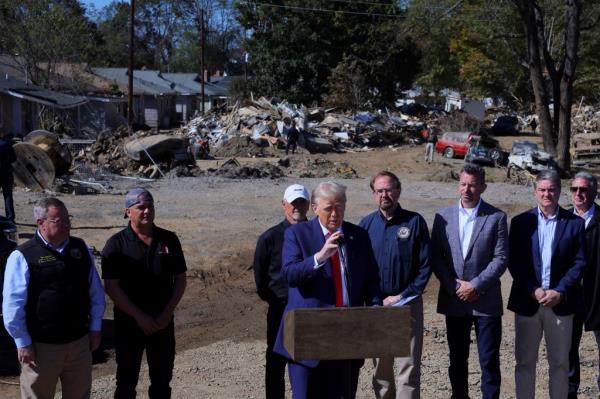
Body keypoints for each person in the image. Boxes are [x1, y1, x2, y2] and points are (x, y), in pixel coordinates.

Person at [274, 181, 382, 399]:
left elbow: (371, 280)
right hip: (307, 332)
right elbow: (290, 275)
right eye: (328, 208)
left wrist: (376, 310)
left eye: (340, 207)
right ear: (314, 208)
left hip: (346, 333)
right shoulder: (297, 234)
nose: (335, 213)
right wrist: (319, 257)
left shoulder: (358, 236)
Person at [2, 197, 105, 398]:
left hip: (78, 343)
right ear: (41, 223)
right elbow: (12, 304)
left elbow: (95, 291)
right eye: (60, 221)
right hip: (41, 349)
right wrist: (22, 341)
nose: (67, 225)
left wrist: (95, 327)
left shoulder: (80, 249)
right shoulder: (23, 255)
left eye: (68, 219)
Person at [430, 163, 508, 399]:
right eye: (463, 184)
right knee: (457, 359)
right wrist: (454, 285)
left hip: (485, 301)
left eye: (473, 185)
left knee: (489, 361)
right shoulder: (443, 217)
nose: (467, 189)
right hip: (454, 300)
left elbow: (501, 257)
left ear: (483, 187)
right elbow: (436, 256)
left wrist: (475, 285)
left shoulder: (496, 217)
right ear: (458, 186)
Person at [508, 169, 586, 399]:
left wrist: (560, 292)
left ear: (559, 192)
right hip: (528, 302)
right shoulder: (521, 222)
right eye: (542, 189)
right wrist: (532, 289)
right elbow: (515, 262)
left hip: (560, 304)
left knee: (560, 363)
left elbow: (579, 263)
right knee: (524, 362)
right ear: (535, 192)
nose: (547, 194)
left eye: (551, 189)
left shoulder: (574, 224)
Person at [101, 188, 187, 399]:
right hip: (129, 325)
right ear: (128, 211)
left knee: (162, 381)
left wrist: (167, 314)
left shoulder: (169, 240)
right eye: (141, 207)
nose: (147, 211)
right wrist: (140, 317)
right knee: (126, 382)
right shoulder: (116, 245)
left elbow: (180, 279)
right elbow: (112, 287)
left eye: (150, 206)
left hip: (162, 323)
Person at [359, 171, 431, 399]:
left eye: (389, 189)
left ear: (398, 191)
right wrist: (373, 299)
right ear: (373, 195)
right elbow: (360, 268)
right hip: (377, 307)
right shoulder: (365, 225)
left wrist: (402, 296)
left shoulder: (414, 222)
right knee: (381, 370)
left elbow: (425, 266)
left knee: (407, 369)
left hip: (406, 305)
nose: (384, 195)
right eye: (379, 191)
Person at [253, 183, 310, 399]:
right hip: (281, 310)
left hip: (309, 310)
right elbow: (261, 278)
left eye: (302, 202)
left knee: (308, 362)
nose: (297, 207)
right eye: (293, 203)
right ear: (284, 204)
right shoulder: (269, 238)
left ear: (309, 205)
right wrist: (276, 301)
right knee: (276, 362)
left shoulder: (316, 234)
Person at [566, 171, 600, 398]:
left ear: (594, 192)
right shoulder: (562, 220)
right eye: (574, 189)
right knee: (567, 352)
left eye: (584, 189)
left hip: (599, 295)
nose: (578, 194)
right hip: (569, 298)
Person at [0, 131, 16, 223]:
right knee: (8, 196)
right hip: (6, 173)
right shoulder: (7, 144)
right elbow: (14, 158)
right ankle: (10, 218)